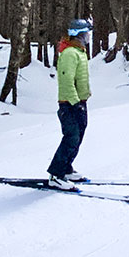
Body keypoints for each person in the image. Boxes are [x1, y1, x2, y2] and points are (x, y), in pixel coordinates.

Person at [47, 19, 93, 190]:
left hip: (79, 102)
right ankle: (55, 174)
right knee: (71, 137)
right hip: (69, 104)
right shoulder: (69, 54)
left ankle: (66, 169)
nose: (88, 36)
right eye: (86, 33)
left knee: (78, 136)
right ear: (78, 35)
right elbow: (66, 81)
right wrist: (75, 103)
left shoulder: (79, 51)